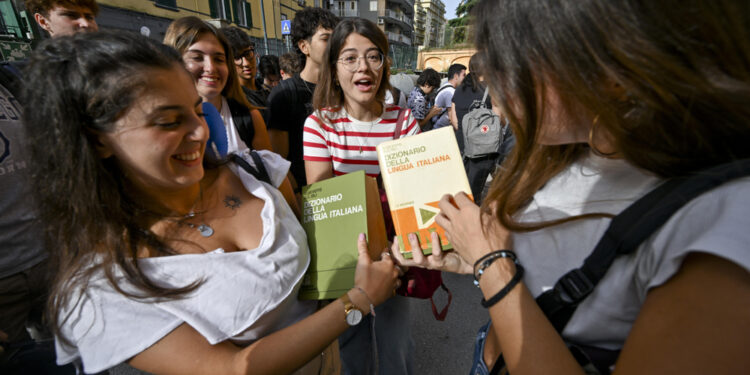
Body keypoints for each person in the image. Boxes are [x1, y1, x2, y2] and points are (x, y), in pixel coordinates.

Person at [393, 0, 750, 374]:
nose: (494, 88)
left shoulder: (722, 223)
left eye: (511, 61)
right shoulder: (555, 150)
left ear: (612, 58)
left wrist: (489, 264)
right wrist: (473, 258)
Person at [24, 30, 401, 374]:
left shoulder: (253, 172)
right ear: (96, 140)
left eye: (194, 110)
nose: (200, 130)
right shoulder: (100, 284)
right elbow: (233, 369)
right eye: (168, 122)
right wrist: (358, 301)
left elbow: (316, 256)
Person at [303, 18, 418, 375]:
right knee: (352, 345)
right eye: (350, 58)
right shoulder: (320, 124)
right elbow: (324, 199)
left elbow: (413, 190)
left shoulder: (403, 121)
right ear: (334, 67)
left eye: (373, 56)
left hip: (394, 253)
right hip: (344, 256)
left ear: (385, 65)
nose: (363, 67)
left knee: (395, 344)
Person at [164, 17, 272, 154]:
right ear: (175, 62)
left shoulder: (250, 118)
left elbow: (272, 173)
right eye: (197, 57)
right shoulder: (160, 127)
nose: (211, 68)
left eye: (218, 59)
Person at [267, 7, 339, 191]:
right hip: (304, 195)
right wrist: (297, 200)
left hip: (343, 194)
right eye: (325, 39)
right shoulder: (284, 94)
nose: (334, 45)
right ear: (303, 46)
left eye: (337, 39)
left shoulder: (344, 90)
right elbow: (278, 161)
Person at [451, 55, 514, 201]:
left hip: (459, 145)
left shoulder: (459, 89)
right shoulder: (492, 89)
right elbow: (498, 120)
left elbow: (453, 119)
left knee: (459, 189)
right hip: (482, 150)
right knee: (474, 194)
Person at [220, 26, 266, 108]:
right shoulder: (234, 101)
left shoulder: (267, 90)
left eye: (248, 54)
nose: (246, 63)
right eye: (237, 57)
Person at [27, 0, 98, 37]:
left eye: (89, 17)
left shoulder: (107, 61)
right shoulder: (33, 65)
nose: (85, 24)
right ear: (43, 22)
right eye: (71, 16)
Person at [431, 63, 466, 129]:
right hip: (441, 131)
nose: (465, 78)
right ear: (456, 76)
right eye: (464, 75)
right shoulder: (450, 92)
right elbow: (451, 118)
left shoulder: (445, 85)